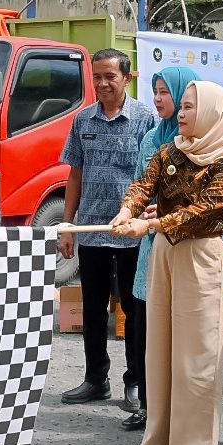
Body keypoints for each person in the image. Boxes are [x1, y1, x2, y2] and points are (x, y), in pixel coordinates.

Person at [111, 80, 223, 445]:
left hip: (201, 256)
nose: (181, 113)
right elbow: (143, 185)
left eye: (189, 107)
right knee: (161, 345)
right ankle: (159, 436)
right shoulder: (171, 149)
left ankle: (194, 444)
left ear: (213, 114)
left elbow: (202, 212)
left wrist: (148, 227)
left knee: (197, 351)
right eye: (181, 106)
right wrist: (127, 210)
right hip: (165, 254)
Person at [58, 49, 156, 408]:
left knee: (133, 307)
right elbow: (75, 173)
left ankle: (135, 382)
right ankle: (95, 379)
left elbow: (152, 176)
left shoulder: (146, 120)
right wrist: (68, 226)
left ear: (126, 79)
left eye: (110, 76)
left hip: (132, 233)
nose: (102, 83)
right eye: (96, 76)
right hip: (91, 231)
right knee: (93, 306)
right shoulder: (83, 120)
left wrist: (145, 221)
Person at [126, 67, 204, 432]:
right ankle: (148, 406)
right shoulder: (152, 138)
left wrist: (166, 212)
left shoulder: (205, 142)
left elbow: (206, 204)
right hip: (150, 246)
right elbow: (142, 185)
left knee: (182, 334)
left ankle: (180, 414)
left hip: (186, 245)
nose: (158, 99)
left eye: (165, 93)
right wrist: (131, 211)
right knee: (145, 328)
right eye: (155, 91)